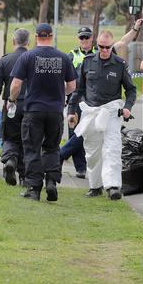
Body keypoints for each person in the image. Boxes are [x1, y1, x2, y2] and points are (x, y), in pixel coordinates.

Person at [9, 23, 76, 202]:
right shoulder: (63, 57)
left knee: (32, 148)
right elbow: (72, 86)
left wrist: (12, 100)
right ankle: (52, 182)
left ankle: (34, 188)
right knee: (52, 147)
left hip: (33, 111)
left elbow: (16, 84)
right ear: (51, 36)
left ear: (36, 36)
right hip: (55, 111)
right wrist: (61, 93)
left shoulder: (27, 56)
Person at [67, 30, 137, 201]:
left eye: (108, 47)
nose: (104, 50)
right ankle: (95, 186)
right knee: (92, 153)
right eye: (101, 47)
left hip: (112, 112)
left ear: (112, 46)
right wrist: (71, 111)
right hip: (91, 112)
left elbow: (131, 90)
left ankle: (113, 186)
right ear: (97, 45)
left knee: (112, 148)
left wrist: (127, 107)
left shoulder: (120, 64)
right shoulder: (87, 62)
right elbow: (79, 90)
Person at [0, 29, 30, 186]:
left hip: (11, 104)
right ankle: (25, 176)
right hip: (31, 106)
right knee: (28, 139)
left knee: (10, 135)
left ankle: (10, 159)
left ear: (13, 41)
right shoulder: (34, 60)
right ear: (28, 42)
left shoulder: (5, 61)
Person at [59, 26, 95, 178]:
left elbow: (120, 44)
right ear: (78, 39)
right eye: (82, 37)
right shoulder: (71, 55)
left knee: (82, 133)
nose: (84, 40)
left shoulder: (99, 53)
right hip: (74, 100)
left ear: (92, 38)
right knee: (75, 133)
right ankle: (80, 168)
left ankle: (59, 155)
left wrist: (134, 29)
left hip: (91, 101)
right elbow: (63, 77)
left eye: (87, 37)